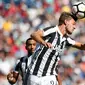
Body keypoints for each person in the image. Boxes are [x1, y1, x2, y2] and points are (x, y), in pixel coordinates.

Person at [26, 12, 85, 85]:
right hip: (35, 75)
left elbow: (82, 46)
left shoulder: (66, 39)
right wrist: (43, 42)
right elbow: (34, 34)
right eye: (73, 24)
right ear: (66, 22)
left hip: (49, 77)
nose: (75, 27)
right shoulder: (53, 30)